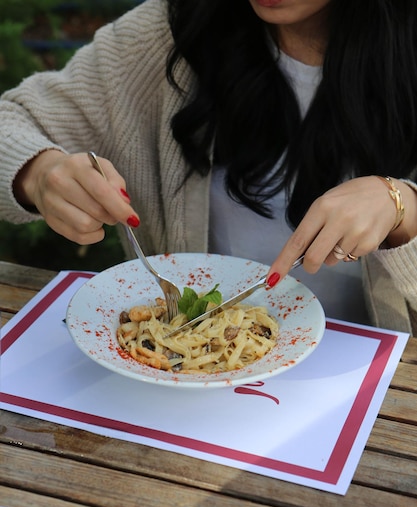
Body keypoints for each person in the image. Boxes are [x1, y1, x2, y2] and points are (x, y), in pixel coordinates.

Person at [1, 0, 417, 332]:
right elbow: (13, 121)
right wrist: (38, 174)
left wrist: (404, 208)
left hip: (382, 400)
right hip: (190, 380)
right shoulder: (174, 32)